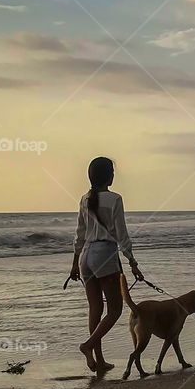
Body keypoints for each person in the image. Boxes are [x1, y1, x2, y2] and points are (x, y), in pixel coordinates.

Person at [70, 157, 143, 375]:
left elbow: (79, 234)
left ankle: (98, 360)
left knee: (95, 309)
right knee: (115, 309)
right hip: (104, 254)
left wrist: (74, 263)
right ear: (107, 176)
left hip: (85, 257)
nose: (114, 174)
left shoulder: (85, 198)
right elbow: (122, 235)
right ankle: (88, 346)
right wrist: (132, 262)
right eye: (112, 171)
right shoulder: (115, 199)